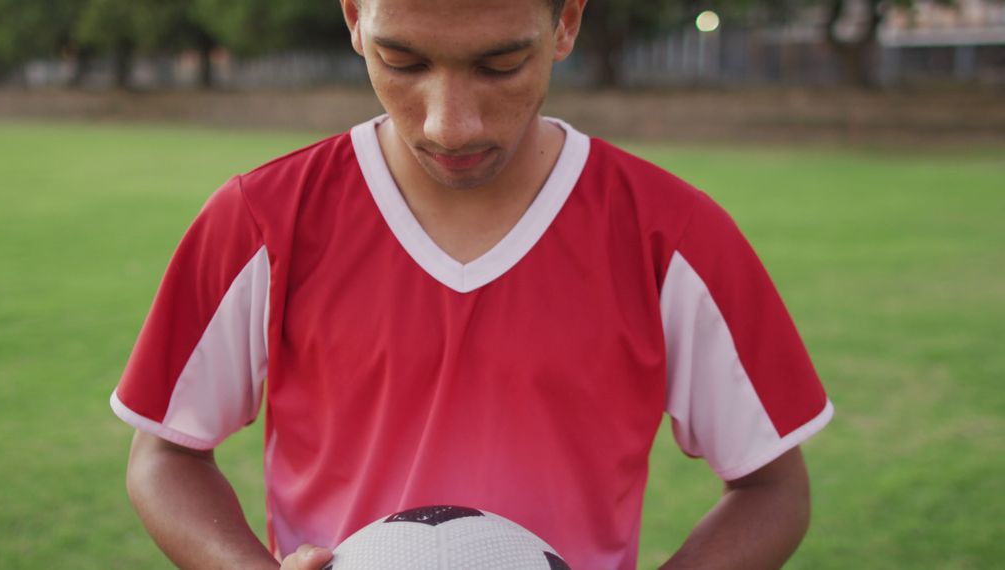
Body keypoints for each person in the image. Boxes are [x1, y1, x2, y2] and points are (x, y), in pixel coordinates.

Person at [110, 0, 833, 568]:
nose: (449, 125)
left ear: (566, 23)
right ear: (355, 19)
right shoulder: (263, 221)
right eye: (403, 60)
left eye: (500, 65)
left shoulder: (671, 235)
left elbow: (772, 486)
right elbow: (166, 452)